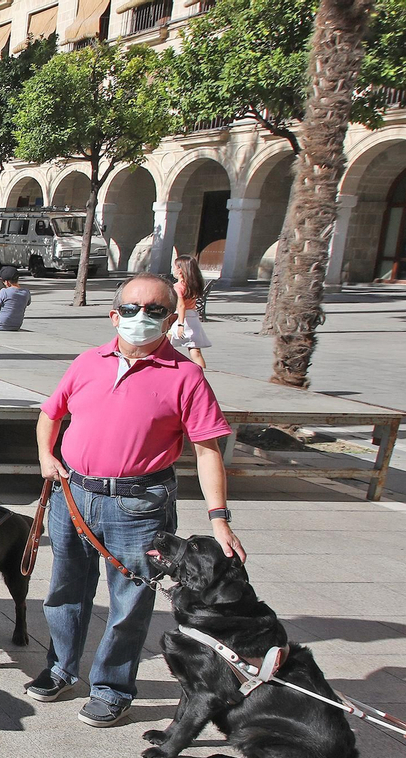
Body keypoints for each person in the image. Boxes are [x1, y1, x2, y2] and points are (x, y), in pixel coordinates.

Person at [27, 273, 245, 727]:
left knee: (129, 601)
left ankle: (112, 688)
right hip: (75, 493)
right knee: (65, 589)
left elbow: (208, 451)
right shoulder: (87, 361)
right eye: (130, 309)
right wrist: (48, 457)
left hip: (139, 504)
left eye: (154, 310)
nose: (139, 318)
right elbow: (51, 413)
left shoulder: (187, 377)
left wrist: (219, 518)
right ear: (114, 315)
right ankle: (61, 668)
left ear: (171, 319)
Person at [169, 255, 211, 368]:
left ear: (180, 269)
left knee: (165, 344)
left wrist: (180, 325)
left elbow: (181, 306)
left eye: (175, 267)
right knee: (195, 351)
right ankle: (201, 375)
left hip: (181, 318)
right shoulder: (192, 285)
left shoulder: (177, 287)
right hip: (193, 318)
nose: (173, 269)